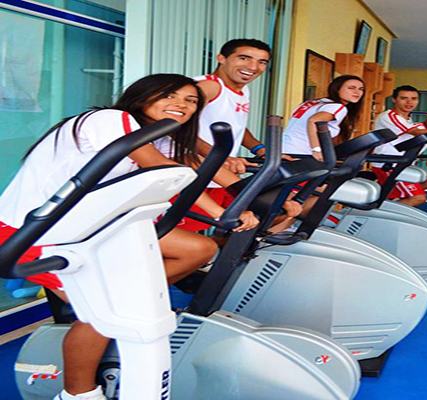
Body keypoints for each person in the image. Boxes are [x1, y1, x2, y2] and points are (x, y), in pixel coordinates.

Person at [0, 74, 258, 400]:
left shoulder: (156, 138)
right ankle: (78, 394)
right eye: (169, 96)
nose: (181, 105)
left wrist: (249, 202)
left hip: (89, 230)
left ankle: (137, 298)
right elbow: (165, 170)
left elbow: (193, 170)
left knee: (197, 248)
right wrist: (222, 213)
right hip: (37, 234)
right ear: (142, 97)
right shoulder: (108, 119)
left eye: (191, 101)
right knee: (104, 314)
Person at [185, 38, 299, 233]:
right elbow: (179, 128)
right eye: (244, 58)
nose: (253, 67)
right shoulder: (209, 86)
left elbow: (237, 125)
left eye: (261, 62)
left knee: (262, 218)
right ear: (221, 58)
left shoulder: (242, 90)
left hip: (218, 174)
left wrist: (261, 150)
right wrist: (218, 156)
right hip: (193, 170)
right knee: (189, 238)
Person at [282, 75, 365, 160]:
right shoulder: (337, 107)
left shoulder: (311, 103)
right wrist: (316, 150)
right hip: (301, 153)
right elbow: (314, 120)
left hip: (284, 149)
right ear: (337, 89)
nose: (357, 92)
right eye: (351, 88)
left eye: (361, 89)